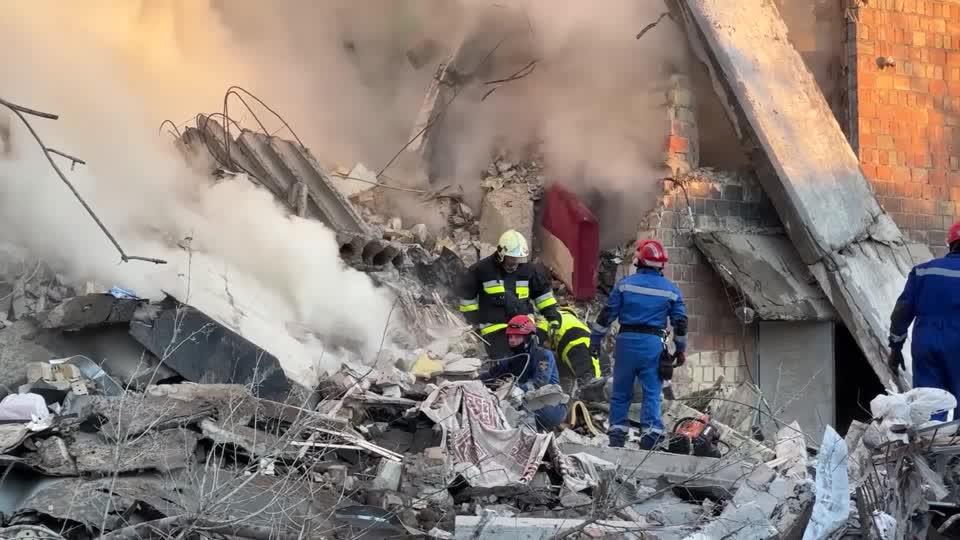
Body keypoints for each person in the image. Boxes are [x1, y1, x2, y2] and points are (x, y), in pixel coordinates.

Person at [590, 239, 687, 449]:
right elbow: (680, 324)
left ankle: (616, 437)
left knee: (621, 392)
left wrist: (595, 341)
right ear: (662, 265)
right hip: (652, 345)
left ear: (639, 261)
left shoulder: (625, 284)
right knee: (652, 393)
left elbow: (606, 316)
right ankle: (650, 438)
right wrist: (680, 350)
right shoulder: (671, 290)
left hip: (625, 343)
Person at [888, 221, 960, 420]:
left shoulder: (923, 272)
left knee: (929, 409)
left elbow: (901, 312)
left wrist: (895, 348)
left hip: (926, 345)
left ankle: (931, 440)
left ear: (950, 244)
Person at [456, 229, 561, 359]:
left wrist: (552, 316)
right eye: (512, 259)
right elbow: (467, 299)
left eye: (519, 259)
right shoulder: (482, 270)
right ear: (501, 254)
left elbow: (542, 296)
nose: (515, 263)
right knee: (507, 361)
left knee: (538, 358)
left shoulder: (529, 270)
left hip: (524, 326)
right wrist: (474, 322)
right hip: (495, 329)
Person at [480, 315, 568, 431]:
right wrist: (475, 381)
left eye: (517, 336)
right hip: (521, 402)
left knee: (516, 409)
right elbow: (492, 375)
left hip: (549, 405)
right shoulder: (511, 358)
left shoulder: (543, 355)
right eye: (510, 336)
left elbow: (539, 383)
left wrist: (512, 388)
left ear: (528, 338)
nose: (512, 340)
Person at [535, 307, 603, 383]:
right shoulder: (573, 320)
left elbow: (538, 336)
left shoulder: (551, 317)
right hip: (587, 344)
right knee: (592, 376)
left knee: (589, 379)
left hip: (576, 344)